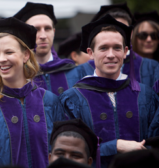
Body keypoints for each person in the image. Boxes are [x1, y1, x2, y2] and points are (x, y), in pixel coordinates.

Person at [59, 14, 159, 168]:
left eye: (117, 48)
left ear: (126, 51)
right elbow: (72, 152)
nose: (111, 55)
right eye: (103, 48)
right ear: (90, 53)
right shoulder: (72, 99)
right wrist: (115, 145)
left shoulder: (146, 95)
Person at [0, 17, 66, 168]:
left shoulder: (49, 101)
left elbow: (61, 153)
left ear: (26, 55)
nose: (1, 59)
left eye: (9, 52)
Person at [76, 2, 159, 90]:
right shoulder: (82, 70)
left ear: (131, 33)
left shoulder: (152, 66)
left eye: (121, 29)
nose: (114, 34)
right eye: (110, 29)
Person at [14, 2, 79, 96]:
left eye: (47, 28)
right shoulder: (16, 76)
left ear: (54, 32)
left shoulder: (73, 72)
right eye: (36, 29)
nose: (43, 36)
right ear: (23, 35)